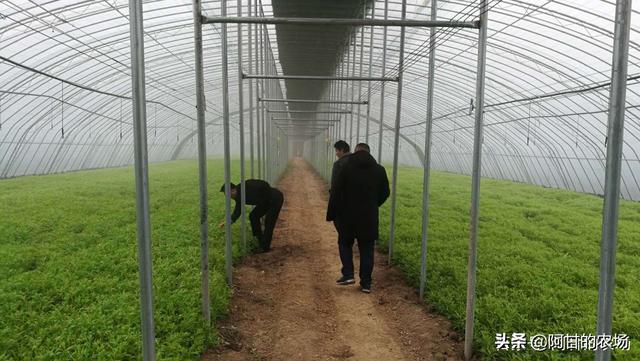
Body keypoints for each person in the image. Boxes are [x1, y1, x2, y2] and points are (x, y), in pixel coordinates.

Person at [327, 143, 390, 293]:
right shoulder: (379, 169)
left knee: (344, 242)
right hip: (369, 216)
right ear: (369, 153)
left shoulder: (345, 168)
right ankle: (366, 283)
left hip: (347, 215)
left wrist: (334, 211)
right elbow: (385, 192)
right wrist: (374, 204)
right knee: (367, 248)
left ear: (355, 152)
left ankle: (348, 274)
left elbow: (336, 190)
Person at [219, 179, 284, 252]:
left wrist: (263, 196)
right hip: (265, 202)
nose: (227, 197)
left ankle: (265, 247)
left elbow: (264, 184)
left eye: (227, 194)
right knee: (253, 216)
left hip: (275, 199)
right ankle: (261, 240)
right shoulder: (238, 196)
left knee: (269, 222)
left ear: (232, 190)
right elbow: (238, 211)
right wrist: (228, 222)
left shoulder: (245, 187)